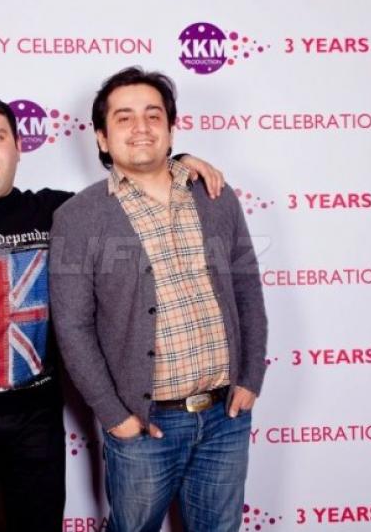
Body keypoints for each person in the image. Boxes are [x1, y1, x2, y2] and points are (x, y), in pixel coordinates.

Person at [0, 91, 225, 531]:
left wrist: (176, 161)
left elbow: (134, 192)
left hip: (35, 422)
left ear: (18, 145)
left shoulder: (59, 212)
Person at [50, 67, 268, 532]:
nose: (141, 127)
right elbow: (73, 326)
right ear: (102, 138)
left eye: (153, 115)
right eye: (124, 118)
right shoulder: (78, 217)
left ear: (171, 128)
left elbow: (247, 289)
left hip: (226, 416)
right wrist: (115, 417)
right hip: (144, 425)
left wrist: (251, 377)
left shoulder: (215, 194)